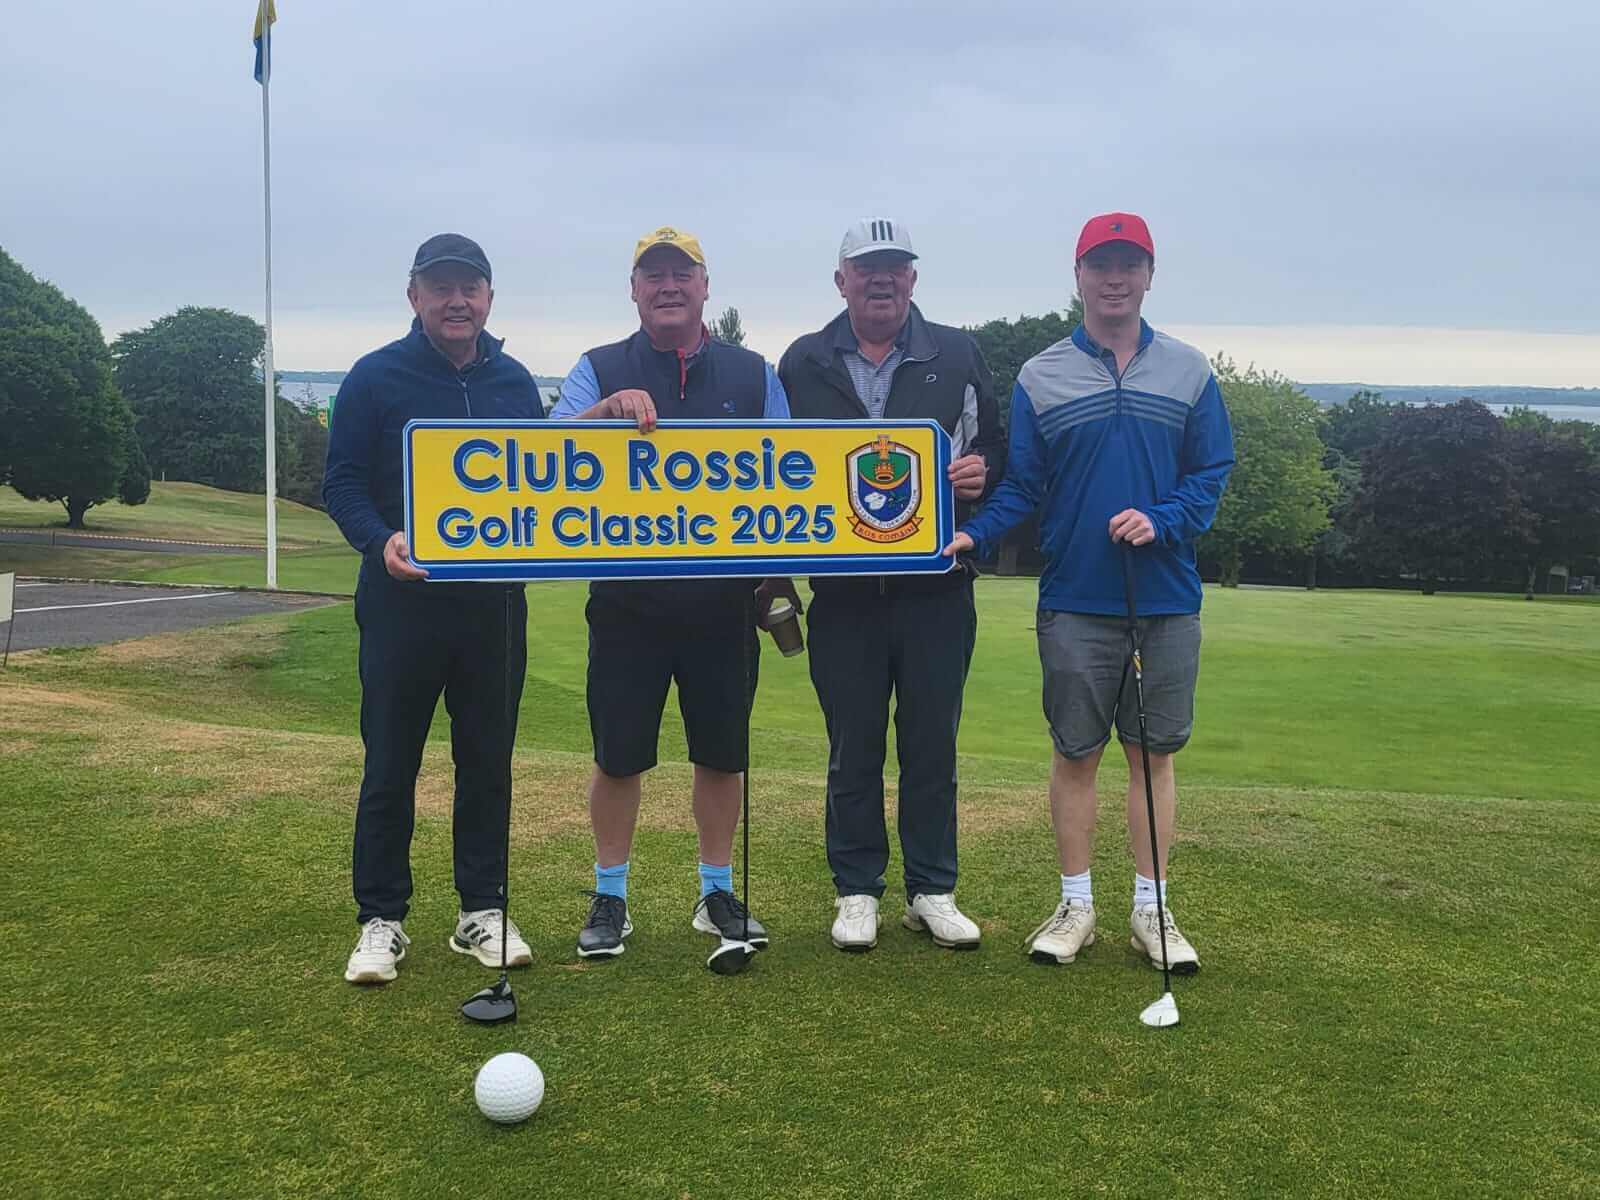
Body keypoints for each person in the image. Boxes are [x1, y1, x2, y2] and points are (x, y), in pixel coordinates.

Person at [945, 212, 1233, 973]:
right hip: (1074, 597)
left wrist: (1163, 519)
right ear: (1077, 276)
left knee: (1152, 757)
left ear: (1149, 275)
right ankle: (1076, 905)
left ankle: (1152, 910)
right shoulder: (1040, 376)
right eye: (1100, 264)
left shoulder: (1190, 371)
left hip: (1166, 598)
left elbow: (1210, 474)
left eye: (1129, 264)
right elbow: (1023, 487)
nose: (1115, 278)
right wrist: (973, 533)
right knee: (1075, 754)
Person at [550, 226, 789, 961]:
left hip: (722, 605)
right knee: (619, 757)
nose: (668, 286)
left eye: (682, 273)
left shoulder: (753, 374)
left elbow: (791, 471)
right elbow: (542, 455)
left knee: (721, 755)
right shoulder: (598, 367)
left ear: (705, 286)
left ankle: (716, 892)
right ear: (634, 290)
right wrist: (605, 412)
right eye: (653, 275)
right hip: (628, 605)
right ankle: (611, 896)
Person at [323, 234, 544, 985]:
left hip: (494, 609)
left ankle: (481, 908)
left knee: (487, 763)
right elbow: (342, 482)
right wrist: (379, 538)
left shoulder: (515, 381)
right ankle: (381, 918)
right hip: (401, 603)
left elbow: (540, 479)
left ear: (488, 298)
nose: (456, 301)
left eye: (469, 288)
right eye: (441, 288)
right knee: (391, 762)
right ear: (414, 295)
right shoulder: (374, 376)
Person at [777, 218, 1004, 953]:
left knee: (932, 744)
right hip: (843, 592)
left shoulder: (957, 353)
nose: (882, 278)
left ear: (912, 278)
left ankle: (932, 889)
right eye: (867, 267)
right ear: (840, 279)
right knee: (853, 747)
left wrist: (981, 475)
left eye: (895, 267)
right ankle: (857, 889)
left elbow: (995, 450)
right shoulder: (803, 360)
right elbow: (774, 463)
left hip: (937, 586)